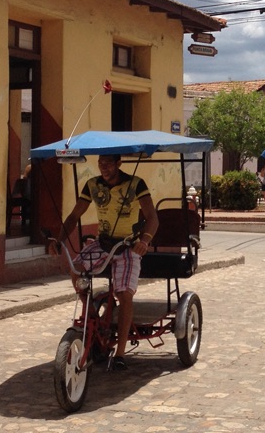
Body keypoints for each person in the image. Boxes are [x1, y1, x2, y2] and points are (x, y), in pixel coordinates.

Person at [55, 154, 158, 370]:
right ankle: (91, 311)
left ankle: (120, 353)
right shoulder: (92, 185)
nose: (104, 168)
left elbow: (152, 218)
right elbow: (74, 216)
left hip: (127, 246)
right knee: (76, 269)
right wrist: (60, 239)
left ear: (119, 163)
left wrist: (145, 241)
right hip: (102, 244)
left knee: (124, 294)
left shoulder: (136, 184)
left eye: (108, 164)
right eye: (101, 164)